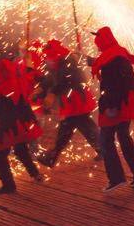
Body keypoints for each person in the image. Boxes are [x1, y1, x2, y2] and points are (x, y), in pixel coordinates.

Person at [89, 26, 134, 192]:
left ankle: (116, 178)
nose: (97, 45)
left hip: (115, 105)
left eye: (98, 42)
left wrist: (111, 106)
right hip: (125, 103)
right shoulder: (117, 53)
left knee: (106, 140)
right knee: (123, 137)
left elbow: (113, 84)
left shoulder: (111, 59)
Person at [0, 58, 44, 194]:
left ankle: (9, 185)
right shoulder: (21, 84)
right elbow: (32, 79)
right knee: (21, 150)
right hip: (22, 127)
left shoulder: (0, 90)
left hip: (8, 130)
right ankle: (35, 173)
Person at [36, 39, 103, 168]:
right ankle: (103, 150)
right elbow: (52, 78)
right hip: (73, 100)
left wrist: (52, 93)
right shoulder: (60, 61)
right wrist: (41, 87)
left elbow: (65, 81)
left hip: (76, 99)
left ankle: (51, 157)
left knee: (69, 127)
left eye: (48, 54)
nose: (47, 58)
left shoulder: (67, 61)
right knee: (84, 126)